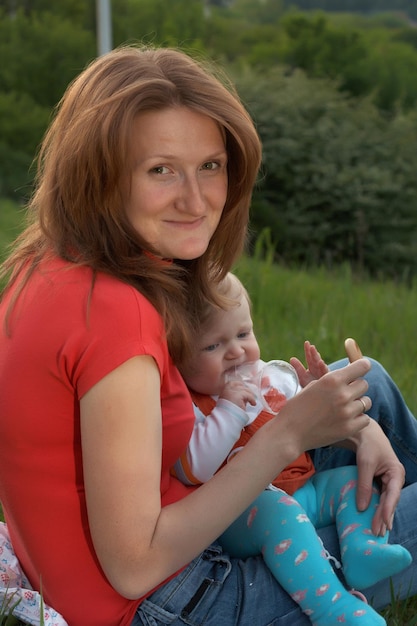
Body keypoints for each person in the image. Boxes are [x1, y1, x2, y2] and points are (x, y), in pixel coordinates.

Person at [1, 44, 417, 626]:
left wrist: (355, 426)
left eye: (211, 166)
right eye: (160, 169)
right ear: (97, 174)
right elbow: (133, 565)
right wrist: (290, 432)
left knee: (369, 383)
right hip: (173, 599)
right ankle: (371, 532)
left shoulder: (50, 263)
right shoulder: (114, 314)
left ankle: (372, 513)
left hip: (172, 536)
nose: (196, 200)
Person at [175, 272, 412, 625]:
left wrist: (313, 394)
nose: (237, 351)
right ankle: (334, 609)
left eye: (243, 334)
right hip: (248, 516)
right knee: (281, 514)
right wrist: (228, 411)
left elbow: (302, 417)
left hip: (302, 487)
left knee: (350, 481)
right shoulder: (194, 406)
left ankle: (364, 550)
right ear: (179, 359)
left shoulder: (263, 378)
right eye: (213, 346)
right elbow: (194, 467)